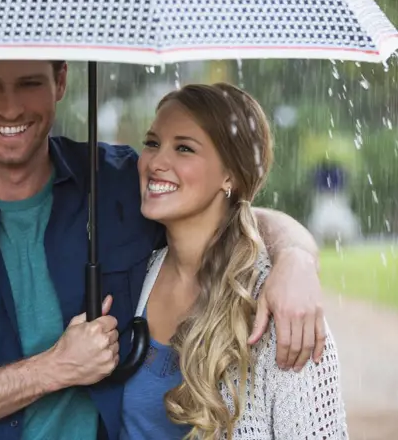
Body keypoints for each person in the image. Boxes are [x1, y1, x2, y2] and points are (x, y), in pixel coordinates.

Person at [0, 60, 326, 440]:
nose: (11, 108)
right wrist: (53, 369)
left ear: (61, 80)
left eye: (31, 83)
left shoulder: (119, 183)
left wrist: (296, 258)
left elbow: (234, 213)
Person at [120, 83, 347, 440]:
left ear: (230, 176)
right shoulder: (135, 275)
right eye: (152, 143)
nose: (156, 163)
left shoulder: (280, 309)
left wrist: (296, 257)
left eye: (184, 148)